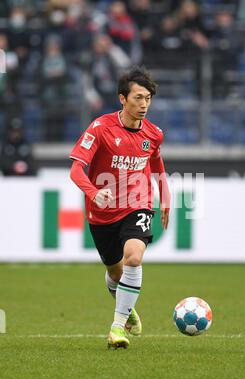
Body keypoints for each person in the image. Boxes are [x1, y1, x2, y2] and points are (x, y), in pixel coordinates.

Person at [69, 66, 170, 349]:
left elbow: (157, 164)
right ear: (122, 99)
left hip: (137, 204)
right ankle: (128, 310)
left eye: (148, 98)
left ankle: (116, 328)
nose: (144, 104)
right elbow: (76, 169)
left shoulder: (154, 133)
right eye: (138, 97)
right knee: (115, 273)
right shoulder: (101, 128)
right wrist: (94, 193)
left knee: (134, 258)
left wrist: (166, 197)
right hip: (101, 213)